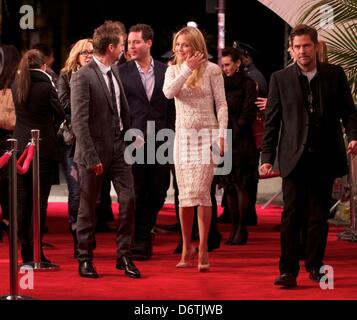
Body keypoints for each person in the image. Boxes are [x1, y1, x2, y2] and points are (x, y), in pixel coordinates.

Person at [260, 24, 357, 288]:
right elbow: (272, 122)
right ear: (291, 50)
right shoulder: (280, 78)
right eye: (297, 47)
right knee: (291, 214)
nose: (302, 51)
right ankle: (288, 270)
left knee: (318, 216)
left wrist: (353, 135)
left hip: (325, 155)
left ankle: (314, 265)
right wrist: (267, 157)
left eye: (307, 46)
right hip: (293, 156)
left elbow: (349, 112)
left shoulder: (334, 75)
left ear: (316, 47)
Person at [71, 20, 140, 279]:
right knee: (89, 206)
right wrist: (90, 157)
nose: (124, 49)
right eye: (122, 44)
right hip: (93, 152)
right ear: (111, 47)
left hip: (120, 147)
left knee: (129, 199)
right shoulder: (83, 76)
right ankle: (85, 257)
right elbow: (79, 121)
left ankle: (124, 256)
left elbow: (121, 110)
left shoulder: (116, 71)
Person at [163, 26, 228, 271]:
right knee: (185, 195)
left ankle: (202, 248)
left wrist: (222, 136)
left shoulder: (213, 70)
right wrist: (187, 69)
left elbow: (221, 105)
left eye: (185, 45)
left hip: (207, 136)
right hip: (183, 138)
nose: (180, 49)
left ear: (196, 46)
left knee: (202, 193)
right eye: (178, 45)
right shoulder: (172, 70)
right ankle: (185, 246)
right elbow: (168, 93)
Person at [118, 24, 175, 261]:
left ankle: (142, 231)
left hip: (162, 140)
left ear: (149, 43)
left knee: (159, 191)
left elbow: (171, 106)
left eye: (136, 42)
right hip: (134, 141)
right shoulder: (121, 72)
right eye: (129, 42)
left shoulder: (166, 71)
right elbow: (118, 108)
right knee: (138, 192)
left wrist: (171, 132)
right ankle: (140, 239)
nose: (131, 46)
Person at [11, 49, 64, 263]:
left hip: (19, 147)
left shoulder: (16, 85)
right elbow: (60, 113)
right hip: (42, 148)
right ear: (43, 66)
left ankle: (24, 250)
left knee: (22, 203)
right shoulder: (46, 86)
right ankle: (36, 253)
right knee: (39, 203)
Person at [57, 38, 94, 258]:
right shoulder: (66, 76)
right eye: (84, 53)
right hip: (73, 142)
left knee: (92, 193)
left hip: (95, 140)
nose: (89, 56)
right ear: (76, 55)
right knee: (76, 192)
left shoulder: (101, 74)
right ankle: (77, 238)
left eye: (91, 52)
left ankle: (87, 235)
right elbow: (64, 105)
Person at [220, 47, 259, 245]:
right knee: (229, 187)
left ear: (237, 63)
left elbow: (249, 112)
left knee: (241, 185)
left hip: (242, 141)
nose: (224, 68)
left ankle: (241, 228)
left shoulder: (248, 84)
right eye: (223, 65)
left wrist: (234, 133)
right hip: (224, 139)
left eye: (227, 65)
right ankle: (234, 228)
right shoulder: (220, 83)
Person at [0, 44, 21, 242]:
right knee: (9, 181)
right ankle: (8, 218)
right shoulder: (18, 77)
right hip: (12, 136)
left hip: (4, 135)